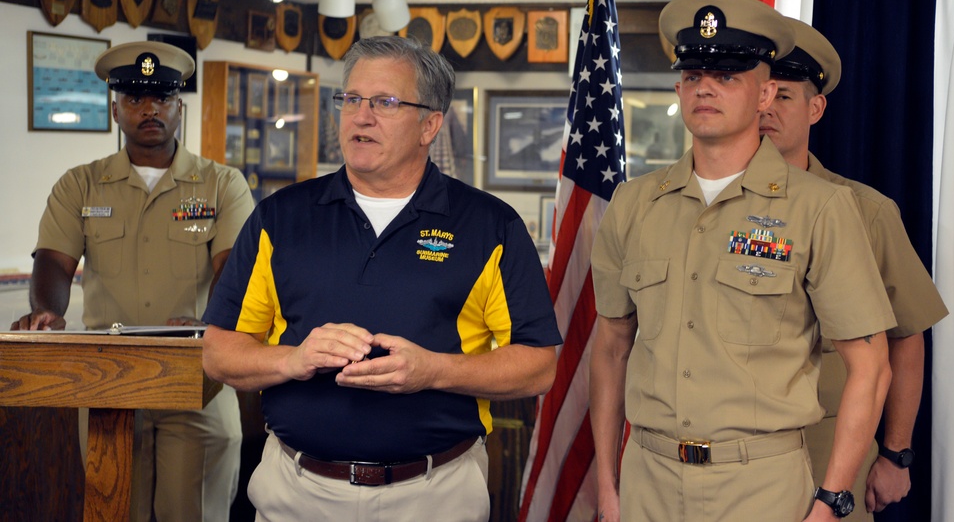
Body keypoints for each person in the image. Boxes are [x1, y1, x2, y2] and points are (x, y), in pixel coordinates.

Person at [200, 35, 561, 522]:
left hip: (435, 495)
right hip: (297, 491)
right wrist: (295, 359)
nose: (360, 116)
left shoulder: (490, 226)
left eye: (385, 102)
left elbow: (538, 365)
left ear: (430, 124)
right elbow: (219, 352)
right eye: (350, 99)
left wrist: (435, 371)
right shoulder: (279, 218)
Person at [589, 0, 897, 522]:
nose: (704, 87)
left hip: (762, 486)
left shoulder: (819, 208)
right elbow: (611, 348)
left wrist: (831, 501)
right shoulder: (633, 203)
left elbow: (870, 368)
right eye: (692, 74)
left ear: (765, 94)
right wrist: (606, 481)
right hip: (648, 478)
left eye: (727, 75)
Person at [10, 41, 253, 522]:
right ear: (115, 108)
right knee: (116, 512)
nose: (150, 110)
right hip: (109, 384)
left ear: (179, 107)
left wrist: (207, 322)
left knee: (193, 515)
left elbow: (234, 269)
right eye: (136, 99)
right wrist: (48, 310)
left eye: (162, 98)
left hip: (196, 377)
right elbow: (55, 263)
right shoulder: (80, 184)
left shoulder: (222, 184)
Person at [759, 17, 949, 519]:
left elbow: (907, 335)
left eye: (785, 96)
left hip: (826, 444)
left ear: (815, 107)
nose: (767, 109)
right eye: (761, 92)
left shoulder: (864, 211)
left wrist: (895, 453)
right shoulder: (699, 209)